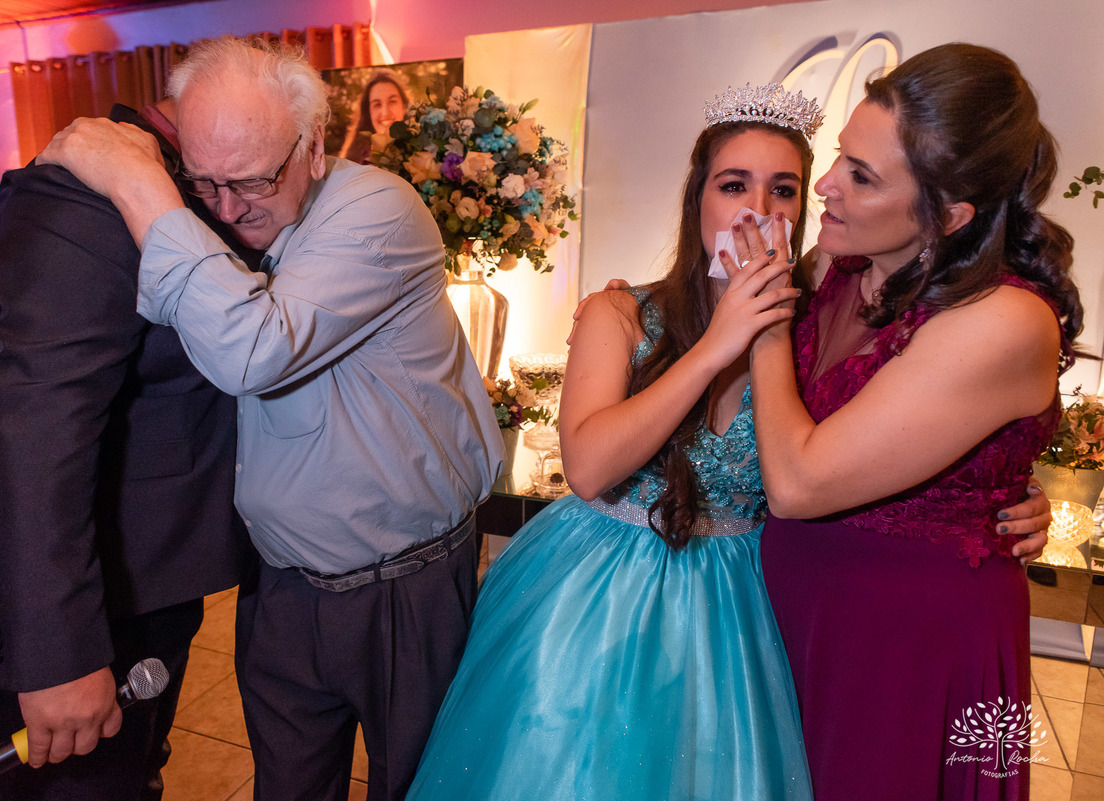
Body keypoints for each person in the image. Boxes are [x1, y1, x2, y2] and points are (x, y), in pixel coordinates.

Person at [38, 36, 501, 801]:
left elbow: (250, 349)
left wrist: (138, 182)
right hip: (282, 589)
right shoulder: (233, 214)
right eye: (203, 181)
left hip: (404, 590)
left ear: (313, 148)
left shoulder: (378, 209)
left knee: (422, 788)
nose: (224, 209)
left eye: (250, 181)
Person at [405, 84, 822, 801]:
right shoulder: (620, 311)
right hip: (600, 593)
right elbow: (590, 466)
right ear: (699, 202)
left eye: (783, 190)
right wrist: (716, 345)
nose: (759, 210)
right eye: (734, 185)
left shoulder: (813, 337)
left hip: (743, 606)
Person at [742, 43, 1081, 800]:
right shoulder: (844, 265)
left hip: (915, 648)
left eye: (861, 177)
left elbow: (796, 480)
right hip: (798, 607)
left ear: (950, 214)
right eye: (840, 157)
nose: (823, 186)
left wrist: (765, 327)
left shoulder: (1006, 321)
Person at [0, 99, 254, 800]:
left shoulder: (164, 185)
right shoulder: (91, 193)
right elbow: (32, 424)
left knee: (128, 775)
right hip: (59, 602)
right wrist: (55, 655)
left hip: (132, 574)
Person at [340, 71, 409, 164]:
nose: (385, 113)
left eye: (392, 101)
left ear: (404, 107)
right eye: (377, 105)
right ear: (369, 112)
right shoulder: (353, 163)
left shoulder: (423, 151)